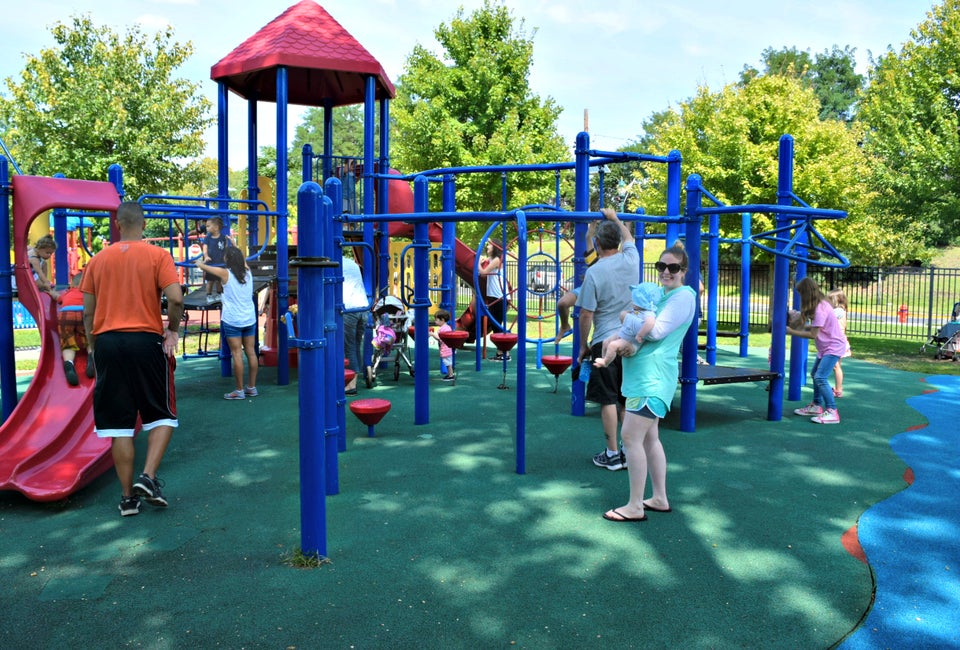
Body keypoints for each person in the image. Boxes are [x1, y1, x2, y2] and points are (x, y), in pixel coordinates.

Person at [81, 201, 184, 517]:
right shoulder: (157, 255)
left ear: (116, 223)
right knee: (163, 414)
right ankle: (148, 477)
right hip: (145, 340)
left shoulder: (98, 260)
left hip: (108, 343)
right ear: (144, 223)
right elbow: (176, 298)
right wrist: (172, 330)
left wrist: (92, 347)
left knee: (119, 426)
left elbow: (87, 312)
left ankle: (128, 499)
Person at [602, 243, 697, 522]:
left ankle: (634, 505)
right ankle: (658, 497)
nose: (666, 272)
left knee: (630, 437)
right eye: (661, 266)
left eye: (673, 267)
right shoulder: (665, 297)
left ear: (684, 271)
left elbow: (654, 331)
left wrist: (626, 318)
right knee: (650, 437)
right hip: (645, 376)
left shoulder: (682, 297)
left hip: (651, 379)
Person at [576, 207, 640, 471]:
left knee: (607, 400)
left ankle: (612, 453)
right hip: (630, 341)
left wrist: (583, 346)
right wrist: (614, 218)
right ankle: (627, 450)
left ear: (597, 243)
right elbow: (631, 240)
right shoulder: (631, 259)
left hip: (605, 343)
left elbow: (586, 315)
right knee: (626, 399)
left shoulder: (594, 272)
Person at [196, 246, 259, 400]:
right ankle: (251, 387)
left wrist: (199, 262)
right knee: (250, 352)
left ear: (228, 260)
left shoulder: (226, 274)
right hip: (249, 318)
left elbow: (206, 268)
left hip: (233, 320)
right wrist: (233, 248)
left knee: (236, 353)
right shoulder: (248, 272)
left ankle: (239, 391)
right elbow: (241, 259)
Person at [786, 277, 848, 425]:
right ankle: (816, 405)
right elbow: (818, 328)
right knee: (815, 374)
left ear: (806, 294)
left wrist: (791, 331)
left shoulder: (820, 308)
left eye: (801, 293)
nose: (800, 296)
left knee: (820, 377)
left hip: (833, 347)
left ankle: (832, 411)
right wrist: (798, 326)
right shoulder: (821, 304)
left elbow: (813, 334)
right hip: (827, 347)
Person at [594, 282, 662, 368]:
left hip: (631, 342)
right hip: (624, 335)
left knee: (612, 345)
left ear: (643, 303)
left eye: (635, 301)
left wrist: (640, 334)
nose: (632, 303)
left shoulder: (648, 313)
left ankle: (605, 362)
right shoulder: (638, 310)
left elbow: (650, 323)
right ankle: (603, 357)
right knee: (606, 341)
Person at [554, 221, 598, 344]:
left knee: (596, 319)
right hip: (585, 288)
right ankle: (564, 325)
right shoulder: (593, 258)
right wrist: (593, 223)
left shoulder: (615, 260)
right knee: (562, 303)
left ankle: (592, 343)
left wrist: (627, 225)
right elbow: (589, 237)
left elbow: (625, 244)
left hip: (600, 292)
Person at [57, 271, 95, 386]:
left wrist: (50, 293)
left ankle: (69, 364)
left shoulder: (68, 292)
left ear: (72, 285)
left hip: (65, 314)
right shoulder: (89, 292)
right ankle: (91, 359)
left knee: (67, 342)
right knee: (89, 338)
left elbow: (58, 299)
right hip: (84, 312)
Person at [342, 250, 370, 396]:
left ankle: (350, 385)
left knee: (349, 347)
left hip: (349, 309)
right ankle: (354, 379)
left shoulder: (334, 264)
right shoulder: (351, 263)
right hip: (363, 307)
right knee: (355, 345)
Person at [481, 241, 508, 358]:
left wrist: (477, 262)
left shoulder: (497, 259)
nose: (487, 246)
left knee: (497, 325)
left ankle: (505, 352)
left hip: (500, 296)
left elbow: (483, 273)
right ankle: (501, 352)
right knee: (495, 324)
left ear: (495, 247)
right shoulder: (492, 259)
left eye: (490, 245)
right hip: (494, 296)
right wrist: (483, 260)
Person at [201, 217, 233, 303]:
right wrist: (206, 256)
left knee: (219, 280)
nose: (206, 228)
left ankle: (220, 294)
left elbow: (226, 249)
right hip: (211, 264)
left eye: (208, 226)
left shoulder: (223, 238)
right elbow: (205, 248)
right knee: (210, 281)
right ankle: (209, 295)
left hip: (220, 263)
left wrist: (226, 257)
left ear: (216, 227)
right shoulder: (208, 238)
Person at [827, 289, 852, 398]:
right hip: (839, 341)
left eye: (830, 300)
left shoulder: (838, 311)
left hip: (837, 342)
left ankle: (838, 389)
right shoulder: (841, 310)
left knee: (836, 366)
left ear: (837, 300)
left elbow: (827, 316)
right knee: (837, 366)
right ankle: (838, 387)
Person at [27, 235, 60, 300]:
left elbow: (27, 247)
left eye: (51, 253)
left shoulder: (33, 250)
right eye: (47, 253)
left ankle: (44, 283)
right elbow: (39, 272)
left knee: (44, 263)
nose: (49, 255)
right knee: (42, 286)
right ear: (39, 248)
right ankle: (46, 288)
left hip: (31, 273)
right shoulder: (34, 259)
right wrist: (46, 282)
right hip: (25, 276)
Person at [430, 309, 456, 381]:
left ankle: (451, 375)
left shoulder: (444, 329)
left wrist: (432, 334)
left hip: (446, 348)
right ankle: (450, 374)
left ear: (442, 320)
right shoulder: (445, 327)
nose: (435, 321)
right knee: (447, 362)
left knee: (448, 363)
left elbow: (440, 338)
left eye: (436, 320)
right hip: (446, 348)